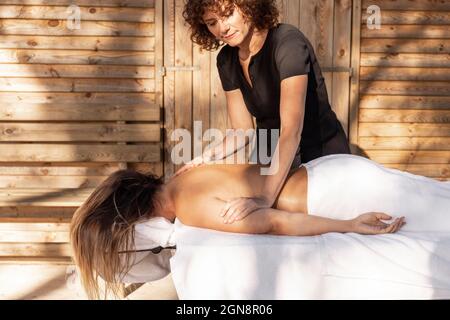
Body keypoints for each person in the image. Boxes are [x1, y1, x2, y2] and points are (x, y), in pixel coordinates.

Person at [70, 154, 450, 298]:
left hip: (337, 194)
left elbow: (274, 222)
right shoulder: (180, 182)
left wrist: (348, 223)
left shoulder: (188, 204)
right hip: (329, 176)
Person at [178, 0, 351, 220]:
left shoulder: (287, 43)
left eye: (229, 14)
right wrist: (205, 157)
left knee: (328, 232)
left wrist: (265, 197)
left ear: (249, 6)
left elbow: (291, 131)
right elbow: (242, 132)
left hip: (319, 152)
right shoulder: (226, 60)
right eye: (212, 23)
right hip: (269, 156)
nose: (222, 28)